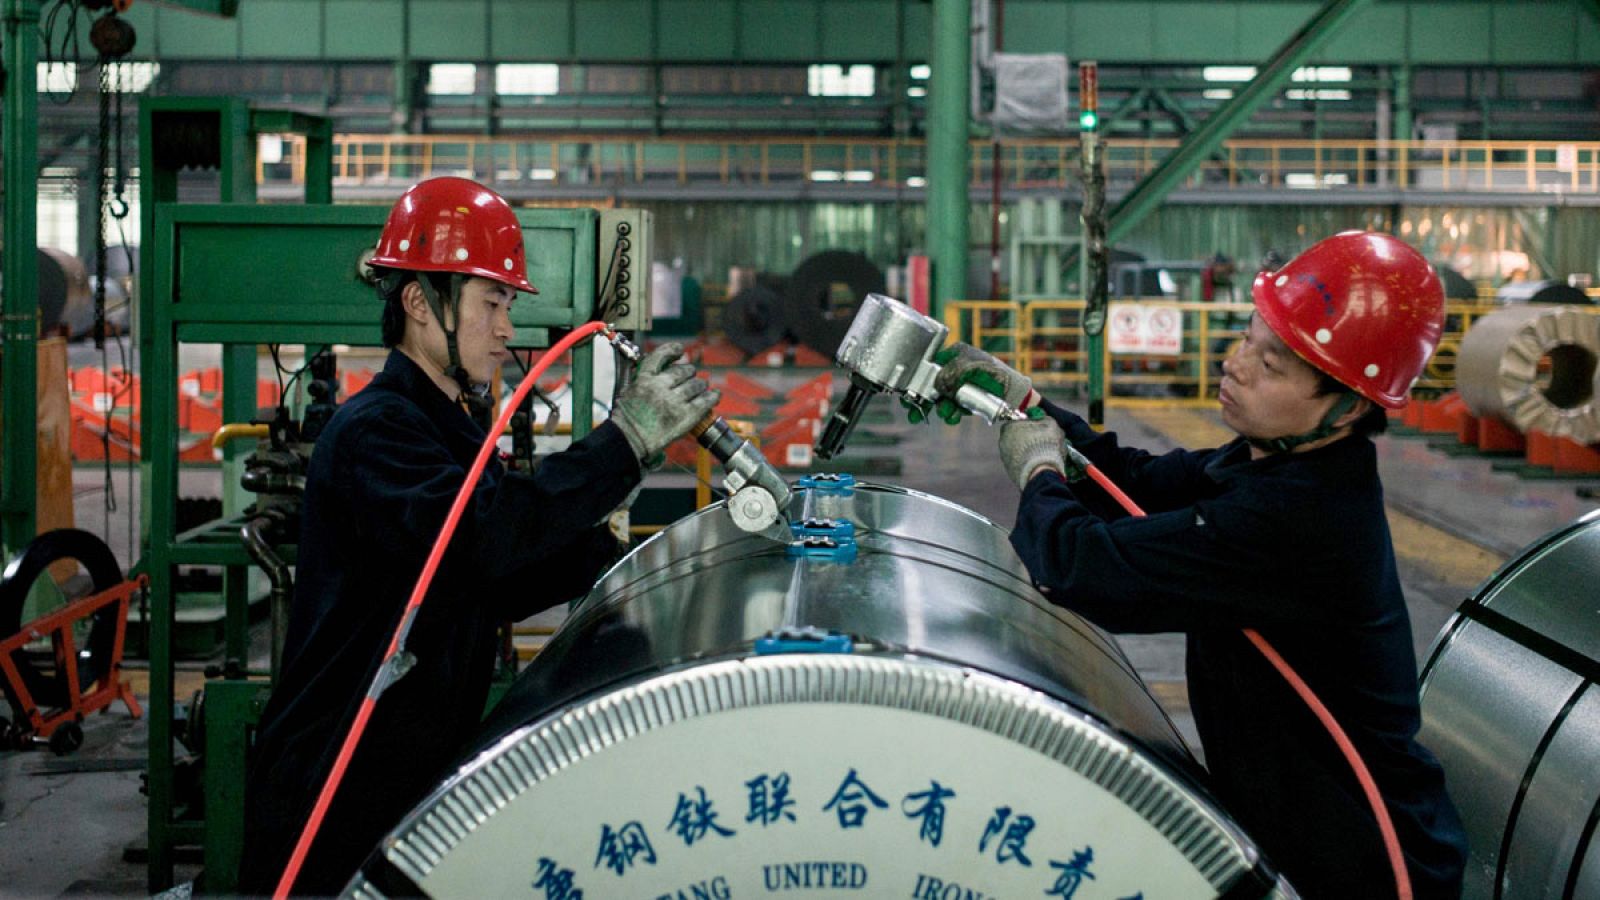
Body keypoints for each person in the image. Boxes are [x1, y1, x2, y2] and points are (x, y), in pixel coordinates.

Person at [938, 231, 1467, 898]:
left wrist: (1039, 467)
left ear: (1349, 406)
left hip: (1357, 860)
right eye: (1249, 338)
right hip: (1288, 822)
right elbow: (1130, 484)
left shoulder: (1302, 519)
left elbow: (1081, 566)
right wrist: (1029, 406)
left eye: (1273, 367)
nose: (1238, 365)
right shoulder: (1268, 462)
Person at [238, 177, 720, 895]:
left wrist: (631, 567)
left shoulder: (446, 426)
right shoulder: (378, 432)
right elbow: (478, 539)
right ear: (418, 304)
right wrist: (622, 443)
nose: (506, 328)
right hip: (335, 779)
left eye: (508, 305)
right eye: (491, 303)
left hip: (403, 764)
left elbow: (490, 580)